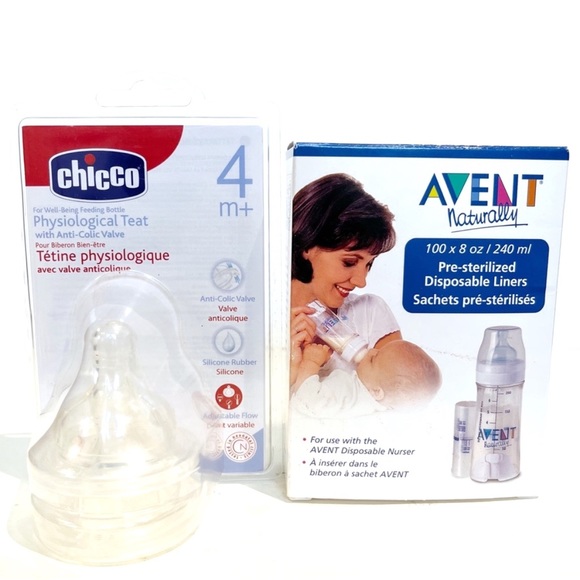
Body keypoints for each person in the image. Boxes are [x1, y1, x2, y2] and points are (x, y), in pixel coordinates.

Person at [290, 172, 400, 385]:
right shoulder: (260, 320)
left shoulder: (370, 313)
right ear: (307, 245)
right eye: (349, 262)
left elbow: (400, 396)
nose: (361, 281)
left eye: (368, 264)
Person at [291, 341, 442, 417]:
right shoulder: (365, 394)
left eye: (373, 359)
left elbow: (308, 400)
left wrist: (311, 362)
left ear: (376, 391)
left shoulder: (350, 395)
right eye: (377, 350)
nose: (371, 350)